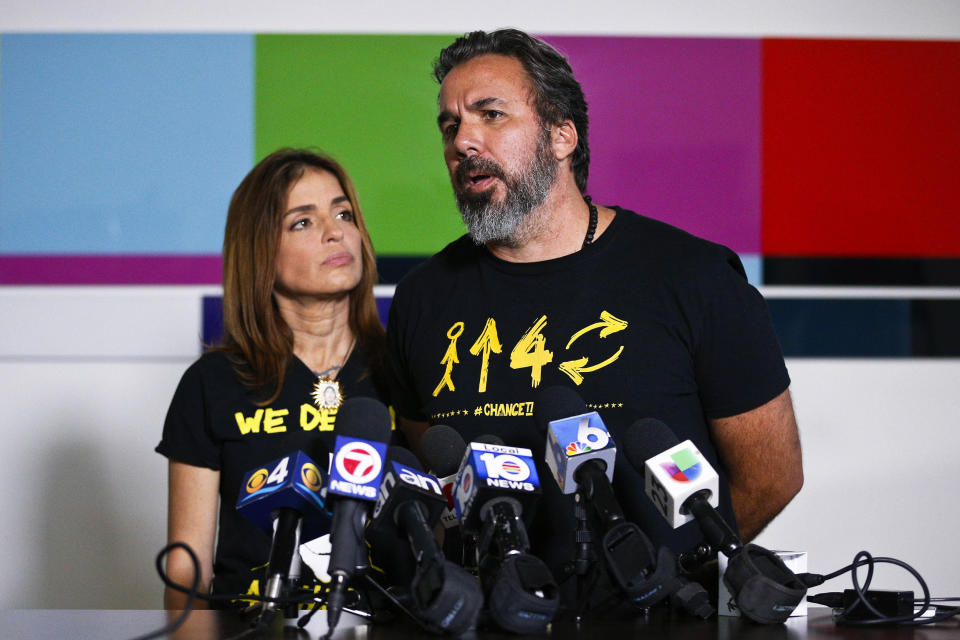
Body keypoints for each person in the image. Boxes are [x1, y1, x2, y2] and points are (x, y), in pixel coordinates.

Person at [386, 29, 803, 593]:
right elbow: (431, 467)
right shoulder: (423, 298)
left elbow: (771, 476)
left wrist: (678, 581)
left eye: (490, 114)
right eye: (450, 124)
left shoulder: (694, 277)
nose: (463, 141)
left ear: (562, 136)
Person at [157, 148, 389, 609]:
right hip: (250, 624)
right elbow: (188, 570)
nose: (335, 232)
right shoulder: (212, 383)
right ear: (260, 250)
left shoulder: (404, 367)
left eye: (343, 213)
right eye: (302, 222)